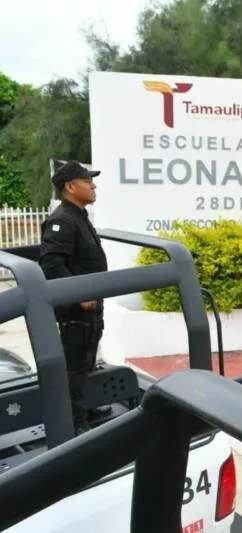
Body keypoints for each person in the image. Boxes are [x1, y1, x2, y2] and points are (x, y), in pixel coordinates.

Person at [39, 160, 109, 435]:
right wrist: (78, 296)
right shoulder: (62, 220)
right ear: (70, 186)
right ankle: (75, 424)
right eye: (87, 181)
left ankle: (85, 409)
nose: (93, 185)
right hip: (76, 311)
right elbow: (51, 264)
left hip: (90, 308)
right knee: (74, 366)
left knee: (86, 361)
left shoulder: (78, 216)